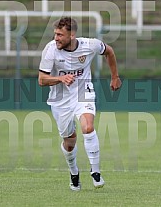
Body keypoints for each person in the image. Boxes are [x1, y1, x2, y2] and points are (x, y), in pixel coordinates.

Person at [38, 17, 122, 191]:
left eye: (60, 35)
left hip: (83, 93)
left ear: (72, 34)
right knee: (70, 142)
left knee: (88, 127)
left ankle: (96, 172)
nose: (56, 38)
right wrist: (60, 78)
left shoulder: (90, 45)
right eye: (55, 34)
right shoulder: (50, 50)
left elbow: (110, 52)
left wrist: (115, 76)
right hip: (60, 101)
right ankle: (74, 172)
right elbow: (41, 80)